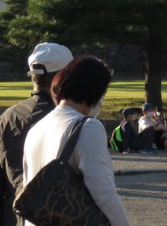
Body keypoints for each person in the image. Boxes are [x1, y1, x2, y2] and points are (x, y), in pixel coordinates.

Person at [22, 55, 130, 226]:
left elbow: (28, 186)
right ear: (94, 91)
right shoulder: (87, 127)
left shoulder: (36, 129)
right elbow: (103, 192)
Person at [0, 42, 73, 225]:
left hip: (13, 216)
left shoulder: (8, 117)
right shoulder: (71, 119)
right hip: (59, 216)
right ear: (64, 77)